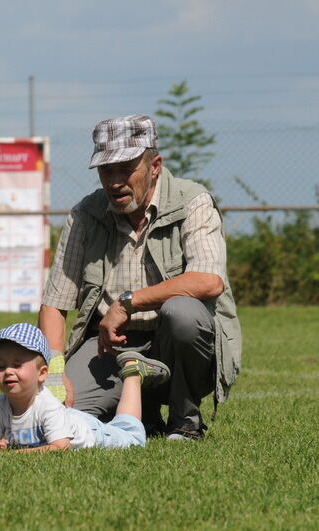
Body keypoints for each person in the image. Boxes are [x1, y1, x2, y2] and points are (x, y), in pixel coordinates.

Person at [38, 114, 242, 441]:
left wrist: (127, 304)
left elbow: (208, 281)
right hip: (109, 348)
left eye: (126, 169)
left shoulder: (193, 201)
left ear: (155, 166)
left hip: (174, 343)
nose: (114, 181)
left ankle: (185, 422)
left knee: (183, 313)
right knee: (61, 420)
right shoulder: (84, 215)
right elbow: (54, 304)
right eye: (106, 170)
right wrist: (54, 375)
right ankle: (142, 415)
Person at [0, 323, 170, 451]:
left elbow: (60, 447)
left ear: (42, 373)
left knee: (132, 436)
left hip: (93, 433)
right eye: (0, 366)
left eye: (17, 365)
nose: (8, 371)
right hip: (71, 419)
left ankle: (132, 373)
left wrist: (14, 454)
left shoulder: (46, 405)